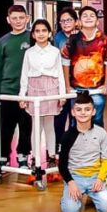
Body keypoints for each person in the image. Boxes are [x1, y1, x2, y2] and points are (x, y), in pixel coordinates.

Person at [18, 18, 66, 168]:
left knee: (49, 125)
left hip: (51, 89)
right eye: (37, 31)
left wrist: (62, 95)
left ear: (50, 33)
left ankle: (51, 156)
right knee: (36, 126)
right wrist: (22, 96)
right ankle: (35, 157)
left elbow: (60, 74)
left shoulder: (55, 52)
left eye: (44, 30)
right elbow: (24, 75)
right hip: (34, 89)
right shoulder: (29, 53)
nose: (40, 34)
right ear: (33, 34)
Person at [59, 91, 107, 212]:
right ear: (73, 112)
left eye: (87, 109)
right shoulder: (67, 136)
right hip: (75, 177)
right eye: (79, 110)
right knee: (69, 211)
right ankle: (67, 197)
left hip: (95, 177)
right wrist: (71, 183)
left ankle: (92, 197)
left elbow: (106, 160)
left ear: (93, 111)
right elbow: (62, 164)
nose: (83, 113)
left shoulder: (101, 133)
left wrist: (100, 178)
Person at [0, 4, 32, 168]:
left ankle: (23, 156)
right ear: (8, 20)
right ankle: (3, 156)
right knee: (5, 126)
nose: (18, 21)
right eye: (14, 18)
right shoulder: (3, 41)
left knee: (25, 126)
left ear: (27, 19)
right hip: (7, 91)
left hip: (28, 92)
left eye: (21, 18)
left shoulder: (32, 38)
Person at [61, 5, 107, 127]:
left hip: (97, 89)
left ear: (97, 21)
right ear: (79, 22)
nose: (88, 18)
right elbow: (65, 62)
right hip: (76, 88)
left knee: (97, 120)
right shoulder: (72, 39)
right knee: (76, 121)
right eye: (85, 16)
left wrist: (106, 84)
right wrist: (67, 86)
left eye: (92, 16)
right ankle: (76, 146)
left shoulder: (104, 40)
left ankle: (96, 146)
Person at [51, 7, 79, 155]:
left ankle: (73, 148)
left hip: (78, 83)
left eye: (69, 20)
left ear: (75, 21)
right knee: (59, 118)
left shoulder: (81, 36)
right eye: (62, 21)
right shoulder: (57, 38)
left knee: (75, 117)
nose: (66, 23)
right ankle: (58, 148)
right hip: (60, 83)